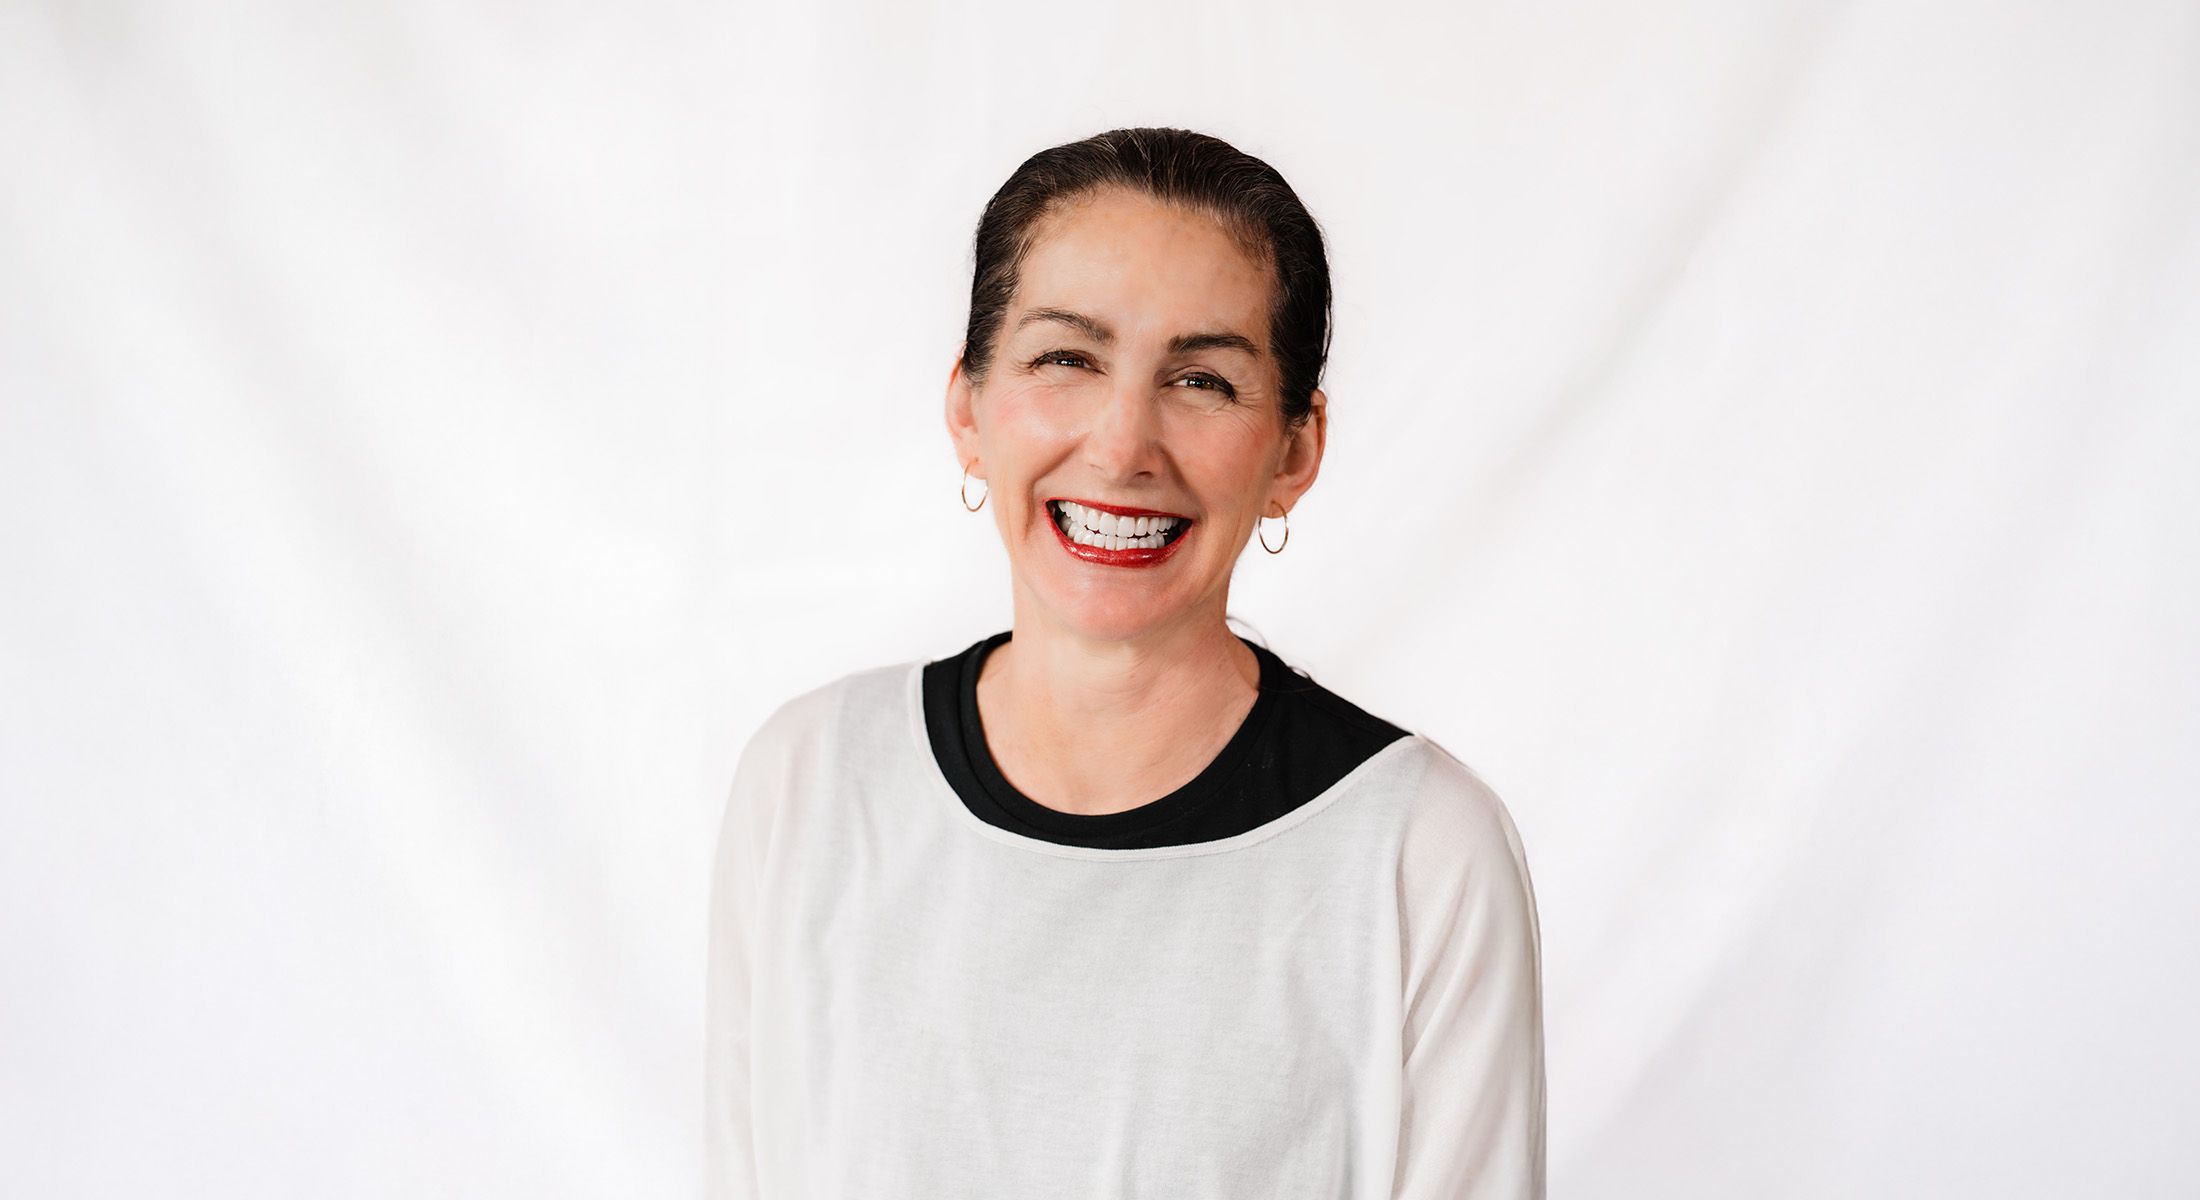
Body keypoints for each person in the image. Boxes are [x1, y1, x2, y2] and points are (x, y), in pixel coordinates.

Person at [705, 126, 1544, 1199]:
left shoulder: (1419, 850)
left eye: (1200, 379)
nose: (1120, 446)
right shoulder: (808, 786)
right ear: (968, 408)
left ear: (1294, 450)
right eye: (1066, 358)